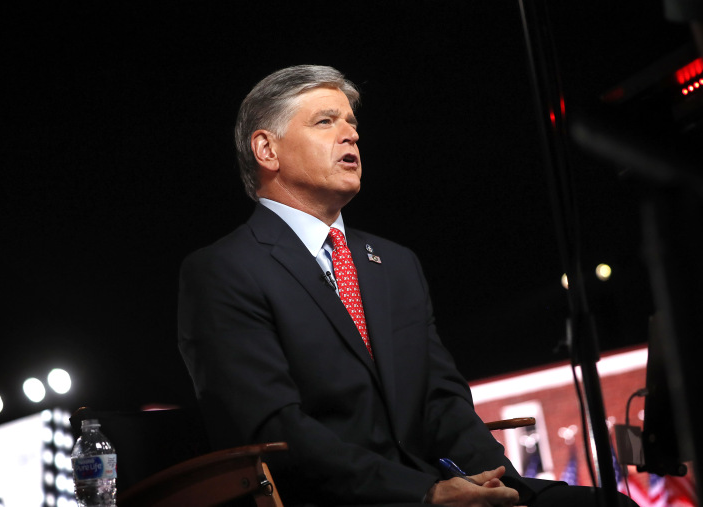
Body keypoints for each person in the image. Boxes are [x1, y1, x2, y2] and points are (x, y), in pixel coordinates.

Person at [178, 65, 638, 506]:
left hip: (439, 486)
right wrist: (423, 493)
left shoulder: (395, 264)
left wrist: (496, 486)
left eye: (352, 123)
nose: (351, 134)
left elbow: (441, 401)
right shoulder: (224, 270)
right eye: (325, 121)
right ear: (267, 150)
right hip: (344, 497)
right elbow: (277, 432)